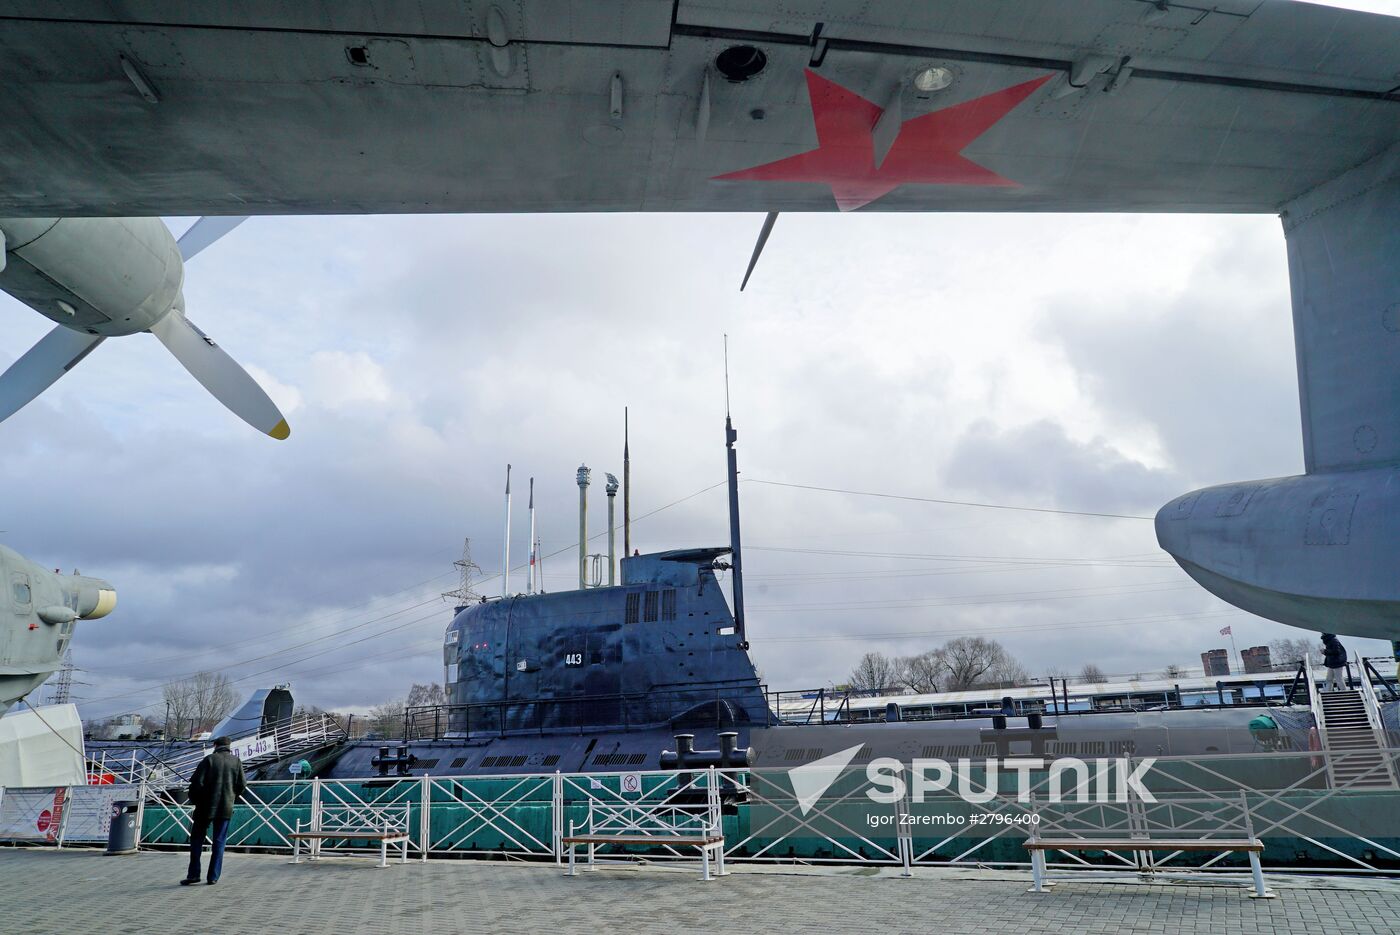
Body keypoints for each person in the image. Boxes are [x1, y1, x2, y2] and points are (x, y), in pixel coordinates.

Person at [181, 736, 246, 886]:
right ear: (229, 746)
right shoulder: (236, 762)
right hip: (225, 808)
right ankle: (213, 876)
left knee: (196, 839)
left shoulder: (209, 760)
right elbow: (242, 785)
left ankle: (194, 874)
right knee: (219, 842)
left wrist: (196, 800)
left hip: (205, 807)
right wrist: (231, 797)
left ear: (215, 745)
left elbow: (196, 784)